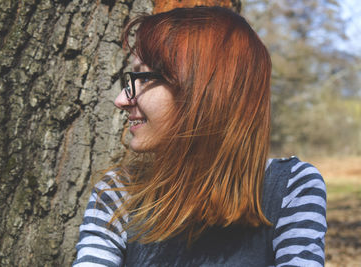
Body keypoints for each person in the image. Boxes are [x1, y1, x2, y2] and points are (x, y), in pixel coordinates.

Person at [73, 6, 327, 267]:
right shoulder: (119, 192)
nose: (121, 100)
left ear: (204, 89)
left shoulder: (291, 189)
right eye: (129, 81)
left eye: (144, 79)